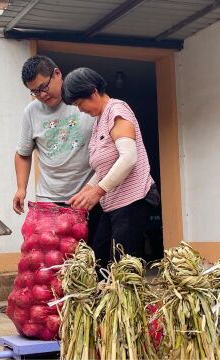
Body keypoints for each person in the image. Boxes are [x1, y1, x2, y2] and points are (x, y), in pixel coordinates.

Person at [63, 67, 160, 267]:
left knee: (123, 266)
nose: (81, 110)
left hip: (133, 201)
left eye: (80, 104)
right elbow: (104, 167)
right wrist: (87, 191)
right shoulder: (99, 120)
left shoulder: (117, 110)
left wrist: (98, 191)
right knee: (99, 257)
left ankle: (129, 299)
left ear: (93, 92)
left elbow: (128, 158)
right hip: (113, 204)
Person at [13, 56, 101, 237]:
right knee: (53, 257)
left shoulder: (82, 99)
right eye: (35, 92)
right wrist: (21, 188)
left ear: (57, 74)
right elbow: (23, 153)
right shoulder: (31, 112)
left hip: (88, 196)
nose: (42, 95)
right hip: (50, 200)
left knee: (91, 256)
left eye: (44, 87)